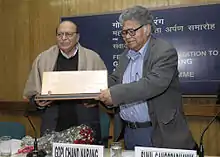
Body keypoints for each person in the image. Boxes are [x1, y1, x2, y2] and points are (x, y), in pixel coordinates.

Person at [96, 6, 197, 150]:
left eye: (131, 31)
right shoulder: (125, 55)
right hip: (130, 132)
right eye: (124, 33)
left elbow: (152, 84)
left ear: (147, 29)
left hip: (158, 132)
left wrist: (115, 94)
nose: (127, 36)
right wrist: (92, 88)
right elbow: (115, 80)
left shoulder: (164, 51)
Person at [23, 21, 106, 144]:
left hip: (85, 125)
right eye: (60, 34)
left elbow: (106, 94)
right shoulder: (43, 59)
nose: (63, 38)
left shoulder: (93, 58)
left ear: (77, 37)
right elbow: (30, 95)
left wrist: (95, 99)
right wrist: (38, 102)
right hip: (53, 126)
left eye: (68, 34)